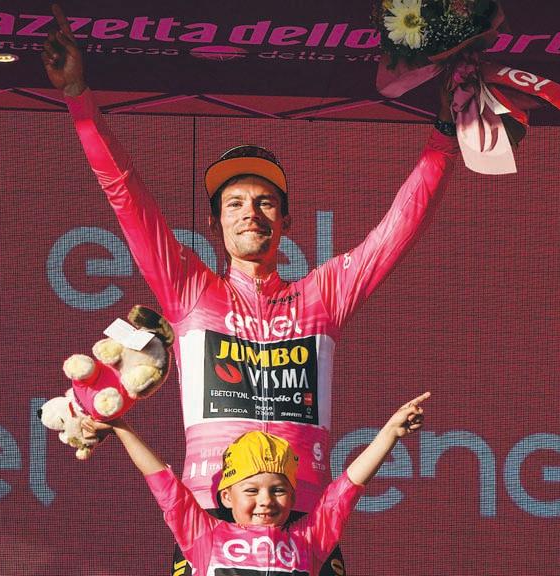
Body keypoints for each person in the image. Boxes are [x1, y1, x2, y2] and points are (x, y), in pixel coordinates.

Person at [42, 5, 459, 574]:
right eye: (234, 203)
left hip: (305, 520)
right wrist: (79, 99)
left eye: (265, 202)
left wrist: (443, 138)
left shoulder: (323, 296)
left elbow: (399, 228)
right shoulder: (190, 290)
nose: (250, 213)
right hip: (212, 518)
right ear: (216, 225)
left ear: (285, 220)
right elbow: (126, 196)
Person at [83, 393, 429, 576]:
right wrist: (121, 427)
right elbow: (163, 484)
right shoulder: (204, 535)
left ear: (293, 496)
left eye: (278, 490)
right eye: (251, 490)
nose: (266, 500)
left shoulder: (310, 538)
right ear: (226, 497)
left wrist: (390, 433)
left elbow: (348, 488)